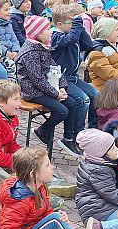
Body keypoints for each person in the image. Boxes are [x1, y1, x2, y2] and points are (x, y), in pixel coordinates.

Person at [17, 14, 81, 155]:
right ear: (38, 34)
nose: (51, 31)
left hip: (46, 88)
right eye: (47, 29)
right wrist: (56, 93)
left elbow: (55, 68)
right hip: (32, 92)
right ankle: (42, 131)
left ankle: (68, 139)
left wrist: (63, 87)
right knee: (62, 111)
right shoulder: (30, 52)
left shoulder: (43, 47)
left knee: (72, 103)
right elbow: (37, 80)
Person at [86, 17, 118, 91]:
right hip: (106, 88)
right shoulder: (97, 52)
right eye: (117, 30)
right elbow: (108, 73)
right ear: (106, 32)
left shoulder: (115, 46)